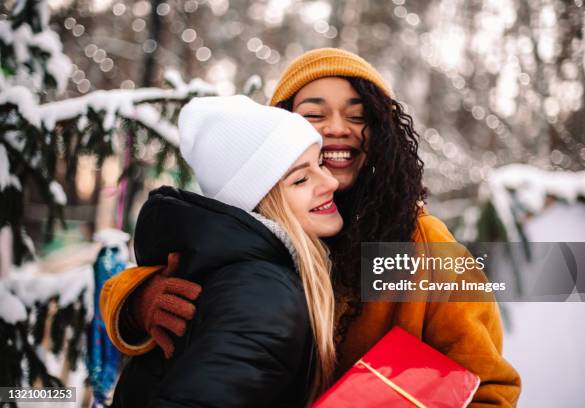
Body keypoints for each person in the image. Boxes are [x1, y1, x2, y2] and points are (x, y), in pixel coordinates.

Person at [103, 49, 521, 406]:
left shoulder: (418, 242)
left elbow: (489, 387)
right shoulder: (259, 224)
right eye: (315, 114)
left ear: (383, 133)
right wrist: (139, 301)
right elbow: (202, 264)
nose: (337, 127)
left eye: (359, 116)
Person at [101, 95, 343, 407]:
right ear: (261, 203)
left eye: (321, 163)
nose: (331, 181)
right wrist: (132, 302)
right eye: (300, 179)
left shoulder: (252, 273)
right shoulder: (264, 292)